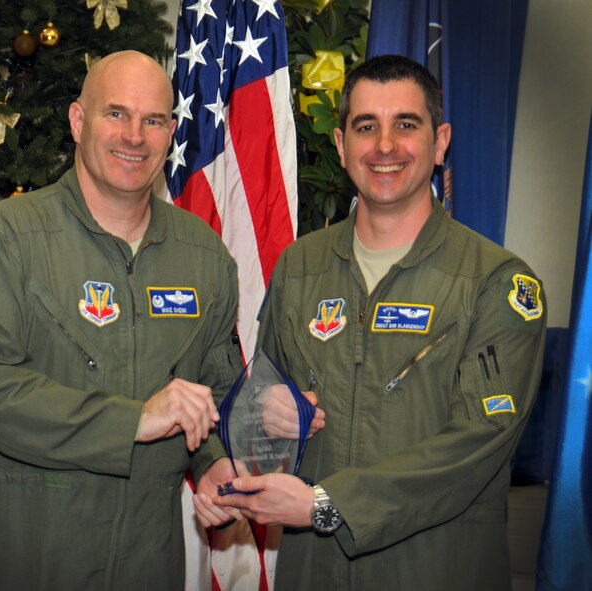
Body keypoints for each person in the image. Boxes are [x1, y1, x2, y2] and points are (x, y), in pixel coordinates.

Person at [196, 54, 547, 590]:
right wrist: (259, 428)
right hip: (314, 571)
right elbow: (262, 402)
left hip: (437, 567)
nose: (385, 146)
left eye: (406, 124)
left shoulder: (496, 282)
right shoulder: (300, 266)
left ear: (441, 140)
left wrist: (327, 505)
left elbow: (479, 443)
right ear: (341, 146)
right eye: (366, 127)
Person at [0, 50, 244, 590]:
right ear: (79, 121)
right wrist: (132, 421)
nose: (135, 136)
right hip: (24, 558)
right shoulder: (7, 239)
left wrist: (215, 462)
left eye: (153, 120)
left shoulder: (205, 257)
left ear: (170, 131)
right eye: (116, 114)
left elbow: (216, 390)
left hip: (148, 564)